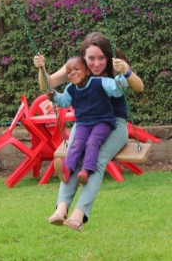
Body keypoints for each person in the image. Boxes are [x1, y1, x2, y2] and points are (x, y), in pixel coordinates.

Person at [34, 32, 144, 231]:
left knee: (97, 160)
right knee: (73, 158)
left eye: (101, 58)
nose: (96, 63)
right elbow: (48, 84)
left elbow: (139, 87)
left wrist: (126, 71)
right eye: (91, 58)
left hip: (114, 123)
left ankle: (80, 213)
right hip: (85, 122)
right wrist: (41, 68)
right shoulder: (78, 68)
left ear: (108, 57)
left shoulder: (115, 67)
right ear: (84, 58)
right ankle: (61, 209)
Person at [47, 56, 128, 185]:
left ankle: (86, 170)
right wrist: (54, 96)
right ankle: (67, 169)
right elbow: (64, 102)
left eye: (76, 69)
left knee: (92, 141)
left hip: (103, 122)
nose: (72, 73)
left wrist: (121, 78)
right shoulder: (71, 89)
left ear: (88, 71)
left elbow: (116, 89)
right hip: (83, 123)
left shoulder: (99, 82)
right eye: (68, 72)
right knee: (76, 143)